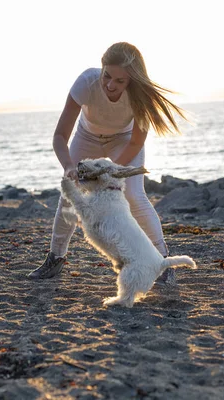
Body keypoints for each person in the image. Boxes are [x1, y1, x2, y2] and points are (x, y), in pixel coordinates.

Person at [28, 42, 188, 285]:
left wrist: (109, 172)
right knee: (69, 198)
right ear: (101, 70)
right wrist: (70, 166)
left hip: (123, 142)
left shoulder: (140, 98)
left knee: (134, 195)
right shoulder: (85, 83)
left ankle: (162, 261)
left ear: (131, 80)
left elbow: (135, 143)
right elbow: (60, 136)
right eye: (107, 76)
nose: (111, 85)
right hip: (86, 137)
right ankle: (56, 258)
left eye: (120, 81)